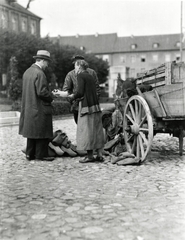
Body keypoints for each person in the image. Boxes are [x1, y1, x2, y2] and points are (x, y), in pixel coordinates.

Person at [54, 60, 104, 163]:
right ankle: (99, 155)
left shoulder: (80, 76)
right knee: (96, 130)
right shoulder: (90, 75)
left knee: (86, 131)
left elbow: (80, 92)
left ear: (80, 67)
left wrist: (72, 96)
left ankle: (90, 156)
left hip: (86, 106)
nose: (75, 69)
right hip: (95, 106)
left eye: (76, 67)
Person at [19, 50, 55, 161]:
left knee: (31, 132)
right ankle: (41, 155)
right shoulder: (40, 73)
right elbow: (42, 92)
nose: (47, 65)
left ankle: (29, 154)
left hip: (29, 107)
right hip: (39, 107)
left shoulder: (27, 72)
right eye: (47, 62)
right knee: (41, 131)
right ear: (43, 61)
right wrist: (52, 96)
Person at [63, 55, 101, 124]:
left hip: (78, 105)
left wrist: (72, 100)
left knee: (80, 125)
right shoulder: (92, 72)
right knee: (91, 124)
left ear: (79, 65)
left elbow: (66, 90)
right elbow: (97, 89)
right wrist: (95, 101)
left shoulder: (71, 74)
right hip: (91, 104)